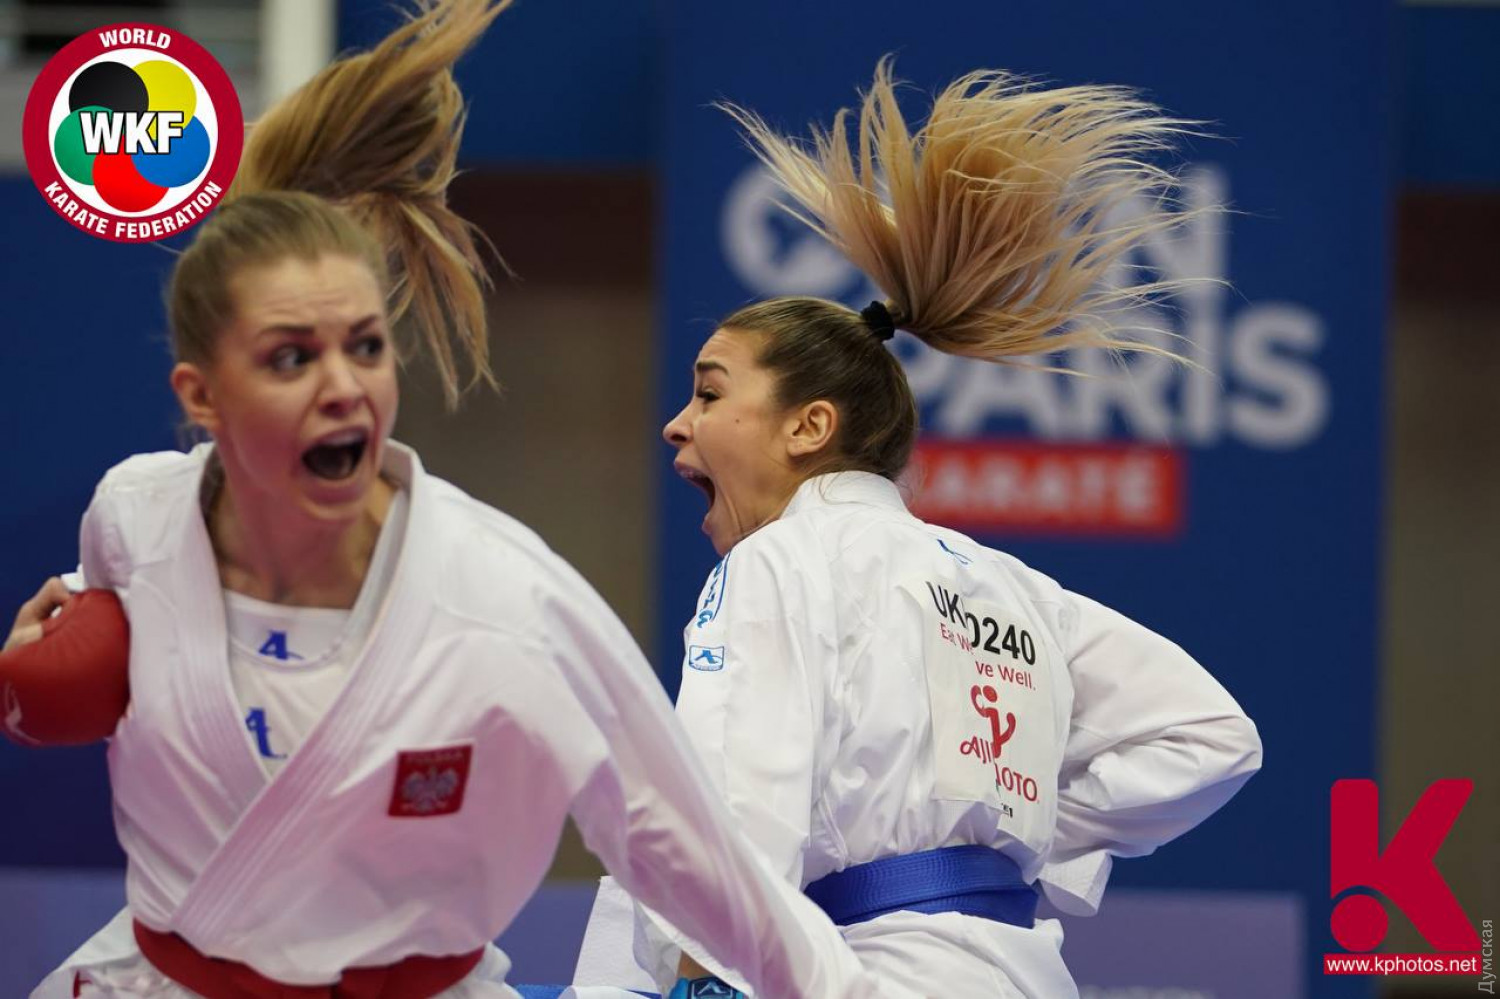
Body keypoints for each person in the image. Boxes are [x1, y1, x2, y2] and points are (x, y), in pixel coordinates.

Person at [8, 7, 910, 998]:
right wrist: (34, 673)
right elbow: (100, 633)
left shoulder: (503, 595)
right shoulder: (134, 519)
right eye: (290, 358)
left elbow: (691, 851)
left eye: (364, 346)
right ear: (202, 397)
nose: (343, 386)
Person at [594, 62, 1263, 998]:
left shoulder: (779, 560)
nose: (678, 423)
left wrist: (696, 978)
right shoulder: (1017, 588)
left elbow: (731, 806)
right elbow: (1211, 737)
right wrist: (1002, 839)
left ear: (809, 426)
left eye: (709, 392)